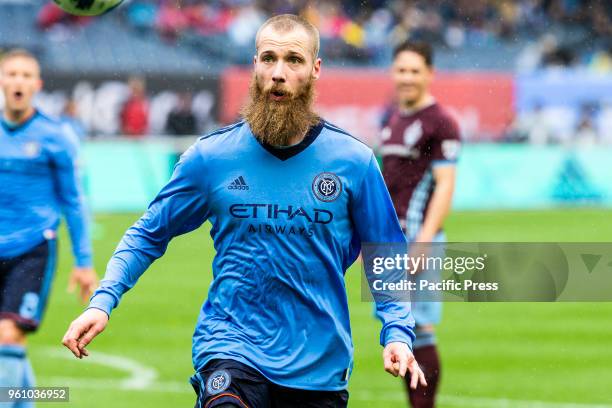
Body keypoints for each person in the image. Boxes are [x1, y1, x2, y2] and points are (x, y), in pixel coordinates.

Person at [62, 14, 426, 407]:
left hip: (318, 364)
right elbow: (149, 232)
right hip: (230, 345)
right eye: (268, 58)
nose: (279, 73)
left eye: (294, 60)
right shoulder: (212, 157)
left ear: (315, 69)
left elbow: (385, 254)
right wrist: (103, 300)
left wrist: (397, 332)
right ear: (254, 65)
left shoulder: (353, 161)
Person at [0, 49, 97, 405]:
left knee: (9, 333)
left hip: (32, 247)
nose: (18, 81)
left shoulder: (56, 136)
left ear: (37, 85)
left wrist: (84, 262)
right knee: (4, 342)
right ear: (1, 81)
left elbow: (73, 201)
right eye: (12, 74)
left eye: (26, 75)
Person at [379, 41, 461, 408]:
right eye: (401, 70)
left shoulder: (440, 122)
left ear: (430, 73)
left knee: (421, 329)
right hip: (389, 240)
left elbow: (445, 185)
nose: (407, 77)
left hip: (416, 239)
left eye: (415, 70)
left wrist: (424, 241)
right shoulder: (393, 119)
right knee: (400, 331)